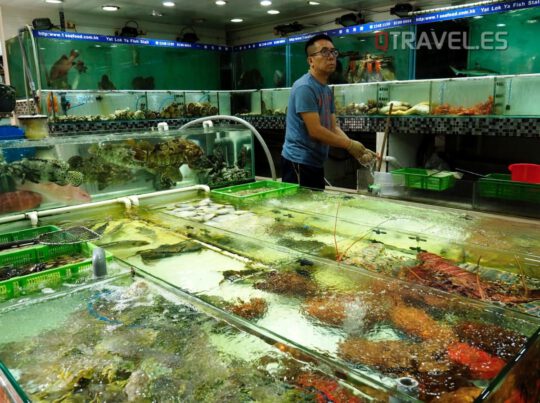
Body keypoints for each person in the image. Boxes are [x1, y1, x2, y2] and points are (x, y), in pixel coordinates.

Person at [281, 34, 376, 189]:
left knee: (316, 206)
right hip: (298, 162)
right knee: (301, 210)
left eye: (333, 52)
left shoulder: (326, 90)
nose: (331, 57)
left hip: (315, 162)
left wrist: (358, 151)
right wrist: (349, 145)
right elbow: (316, 131)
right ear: (310, 60)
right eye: (324, 52)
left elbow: (333, 127)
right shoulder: (305, 87)